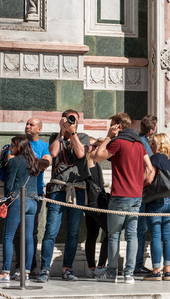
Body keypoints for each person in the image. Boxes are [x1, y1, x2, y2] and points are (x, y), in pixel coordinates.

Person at [93, 113, 152, 284]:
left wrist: (108, 137)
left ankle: (112, 272)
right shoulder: (139, 144)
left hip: (120, 195)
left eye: (112, 124)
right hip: (136, 196)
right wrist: (139, 185)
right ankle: (129, 274)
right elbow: (149, 169)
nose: (110, 127)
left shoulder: (118, 142)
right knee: (132, 235)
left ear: (118, 126)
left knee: (114, 235)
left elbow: (97, 157)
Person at [37, 109, 90, 283]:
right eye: (68, 119)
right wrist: (61, 131)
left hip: (77, 191)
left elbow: (81, 154)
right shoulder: (55, 136)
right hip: (57, 190)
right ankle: (45, 269)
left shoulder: (82, 137)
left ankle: (67, 269)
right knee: (50, 231)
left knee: (73, 233)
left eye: (74, 119)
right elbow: (52, 153)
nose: (70, 121)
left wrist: (72, 132)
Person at [11, 118, 51, 280]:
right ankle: (19, 266)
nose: (28, 127)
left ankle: (31, 265)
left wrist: (27, 160)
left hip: (36, 194)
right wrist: (35, 162)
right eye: (27, 124)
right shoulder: (18, 143)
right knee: (17, 233)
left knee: (33, 232)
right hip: (17, 194)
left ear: (39, 129)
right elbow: (11, 161)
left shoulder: (43, 145)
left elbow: (46, 162)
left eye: (31, 124)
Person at [0, 136, 40, 282]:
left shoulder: (14, 161)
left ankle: (5, 273)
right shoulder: (35, 162)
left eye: (12, 145)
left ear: (19, 146)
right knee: (29, 238)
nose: (10, 147)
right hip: (32, 202)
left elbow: (9, 185)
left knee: (8, 236)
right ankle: (26, 272)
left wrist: (7, 201)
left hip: (17, 200)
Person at [143, 133, 170, 281]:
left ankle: (156, 270)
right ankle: (167, 271)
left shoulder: (155, 158)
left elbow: (150, 177)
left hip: (157, 201)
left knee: (156, 236)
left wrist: (140, 187)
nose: (151, 146)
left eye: (153, 144)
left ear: (158, 145)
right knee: (168, 236)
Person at [134, 115, 158, 276]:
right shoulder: (145, 145)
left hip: (132, 189)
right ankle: (137, 264)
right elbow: (148, 170)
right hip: (140, 192)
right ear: (152, 130)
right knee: (140, 230)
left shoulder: (135, 140)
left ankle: (134, 264)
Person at [84, 137, 108, 278]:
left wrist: (97, 143)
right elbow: (101, 151)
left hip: (89, 204)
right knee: (111, 232)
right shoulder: (90, 159)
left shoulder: (87, 161)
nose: (96, 148)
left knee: (92, 235)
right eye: (93, 146)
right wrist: (102, 141)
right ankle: (100, 267)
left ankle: (91, 268)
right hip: (96, 204)